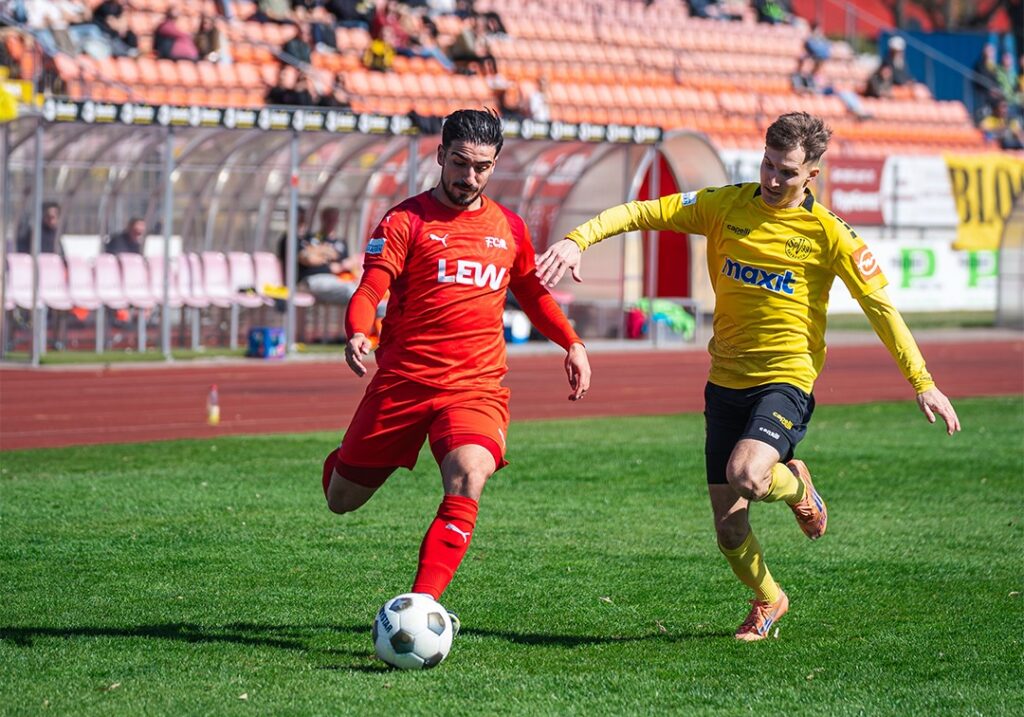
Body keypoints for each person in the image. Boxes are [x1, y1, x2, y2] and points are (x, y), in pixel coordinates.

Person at [535, 112, 960, 642]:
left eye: (787, 171)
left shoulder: (830, 234)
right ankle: (768, 599)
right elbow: (642, 211)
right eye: (768, 165)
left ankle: (797, 488)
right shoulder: (724, 206)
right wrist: (578, 239)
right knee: (729, 527)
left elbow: (881, 308)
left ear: (812, 175)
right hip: (725, 381)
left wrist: (922, 381)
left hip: (786, 379)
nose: (772, 179)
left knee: (748, 474)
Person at [324, 109, 591, 626]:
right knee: (342, 500)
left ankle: (422, 605)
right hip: (404, 383)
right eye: (460, 163)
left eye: (482, 167)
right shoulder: (404, 221)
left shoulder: (509, 227)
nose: (469, 177)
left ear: (495, 165)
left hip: (475, 388)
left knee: (470, 474)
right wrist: (358, 330)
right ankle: (343, 460)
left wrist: (572, 343)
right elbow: (371, 288)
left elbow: (532, 293)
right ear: (441, 154)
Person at [291, 206, 359, 304]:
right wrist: (329, 264)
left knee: (358, 290)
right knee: (350, 290)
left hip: (337, 280)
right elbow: (308, 258)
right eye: (328, 218)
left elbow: (346, 263)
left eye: (333, 218)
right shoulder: (312, 238)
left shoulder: (341, 243)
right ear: (322, 219)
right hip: (314, 279)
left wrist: (347, 264)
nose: (331, 221)